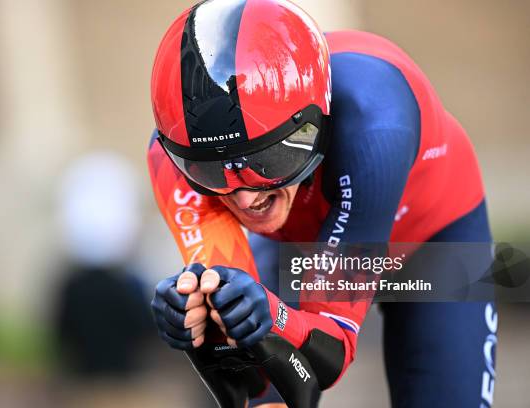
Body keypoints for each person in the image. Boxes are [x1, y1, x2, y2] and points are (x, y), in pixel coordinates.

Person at [148, 0, 497, 407]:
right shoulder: (173, 160)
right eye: (210, 173)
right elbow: (261, 380)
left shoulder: (375, 121)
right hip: (300, 245)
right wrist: (203, 329)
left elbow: (332, 352)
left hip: (431, 243)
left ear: (318, 123)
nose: (245, 196)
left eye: (268, 161)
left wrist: (274, 318)